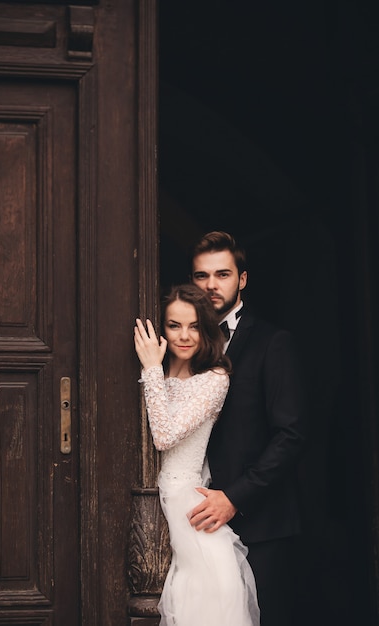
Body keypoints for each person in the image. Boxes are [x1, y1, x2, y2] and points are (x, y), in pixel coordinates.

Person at [189, 231, 306, 626]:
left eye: (222, 274)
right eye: (201, 276)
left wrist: (235, 497)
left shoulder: (274, 343)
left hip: (261, 526)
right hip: (198, 525)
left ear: (242, 279)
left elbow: (290, 435)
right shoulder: (183, 343)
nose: (210, 285)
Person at [134, 284, 260, 626]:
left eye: (194, 326)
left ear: (206, 329)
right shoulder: (158, 373)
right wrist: (154, 371)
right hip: (154, 507)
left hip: (189, 511)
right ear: (163, 328)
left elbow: (165, 435)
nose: (184, 335)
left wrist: (150, 369)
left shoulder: (214, 378)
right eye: (174, 325)